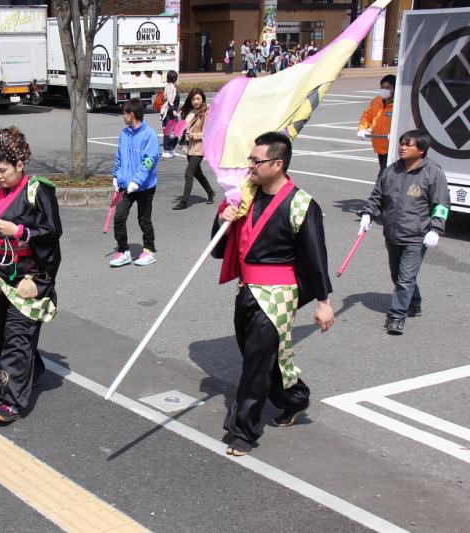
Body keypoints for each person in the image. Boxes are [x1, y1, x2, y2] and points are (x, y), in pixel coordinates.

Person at [213, 132, 334, 456]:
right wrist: (222, 217)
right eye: (250, 159)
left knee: (255, 363)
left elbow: (315, 255)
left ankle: (242, 432)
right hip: (247, 290)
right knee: (258, 355)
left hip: (278, 295)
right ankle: (294, 398)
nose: (249, 166)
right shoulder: (246, 196)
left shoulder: (302, 204)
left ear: (278, 164)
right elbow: (219, 248)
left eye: (256, 161)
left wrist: (323, 302)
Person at [0, 127, 62, 423]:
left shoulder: (37, 190)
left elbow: (53, 231)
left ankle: (11, 402)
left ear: (20, 165)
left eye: (4, 170)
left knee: (17, 338)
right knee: (5, 337)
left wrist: (20, 231)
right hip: (0, 275)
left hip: (30, 275)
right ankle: (35, 369)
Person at [358, 130, 450, 335]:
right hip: (392, 233)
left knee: (405, 278)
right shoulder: (391, 170)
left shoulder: (432, 173)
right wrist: (368, 214)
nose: (402, 147)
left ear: (422, 150)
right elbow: (377, 196)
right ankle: (414, 302)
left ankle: (397, 316)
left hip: (417, 236)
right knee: (398, 275)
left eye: (409, 145)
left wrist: (436, 229)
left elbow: (441, 204)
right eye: (401, 143)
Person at [109, 99, 161, 267]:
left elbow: (149, 161)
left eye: (125, 113)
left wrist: (137, 181)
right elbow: (119, 156)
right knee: (119, 217)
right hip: (126, 185)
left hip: (144, 186)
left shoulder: (149, 135)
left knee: (144, 219)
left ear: (131, 115)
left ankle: (149, 250)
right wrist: (116, 176)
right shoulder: (124, 133)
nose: (123, 116)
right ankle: (123, 251)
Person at [173, 88, 214, 210]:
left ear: (203, 99)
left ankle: (184, 202)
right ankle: (211, 192)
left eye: (198, 99)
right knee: (198, 173)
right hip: (190, 147)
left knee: (189, 173)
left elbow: (210, 132)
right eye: (193, 99)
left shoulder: (206, 112)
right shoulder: (191, 112)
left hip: (200, 148)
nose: (196, 101)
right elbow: (184, 126)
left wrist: (195, 135)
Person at [358, 74, 395, 174]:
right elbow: (367, 116)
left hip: (393, 147)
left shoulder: (399, 104)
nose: (384, 90)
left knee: (384, 176)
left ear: (395, 89)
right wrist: (362, 128)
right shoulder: (377, 101)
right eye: (382, 87)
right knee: (386, 176)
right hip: (379, 146)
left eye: (388, 88)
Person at [160, 70, 180, 158]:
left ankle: (171, 148)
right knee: (168, 132)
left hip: (173, 112)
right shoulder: (169, 87)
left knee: (176, 131)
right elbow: (169, 101)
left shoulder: (173, 87)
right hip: (169, 113)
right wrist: (173, 111)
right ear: (174, 78)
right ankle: (166, 150)